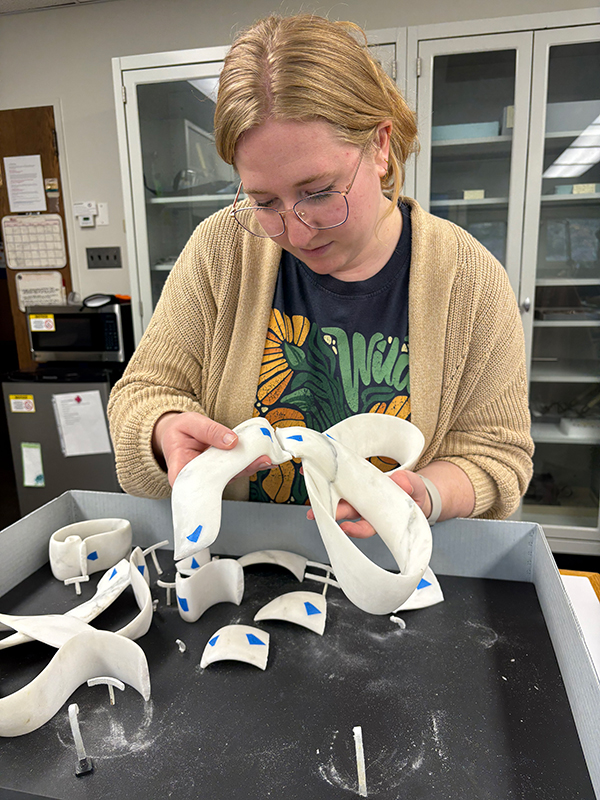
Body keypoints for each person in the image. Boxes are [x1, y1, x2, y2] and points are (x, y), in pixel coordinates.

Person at [107, 13, 533, 536]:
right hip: (241, 565)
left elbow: (499, 455)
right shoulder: (223, 250)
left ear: (380, 145)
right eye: (265, 201)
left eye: (318, 192)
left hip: (393, 573)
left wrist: (426, 493)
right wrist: (163, 432)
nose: (298, 230)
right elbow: (143, 393)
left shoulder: (468, 279)